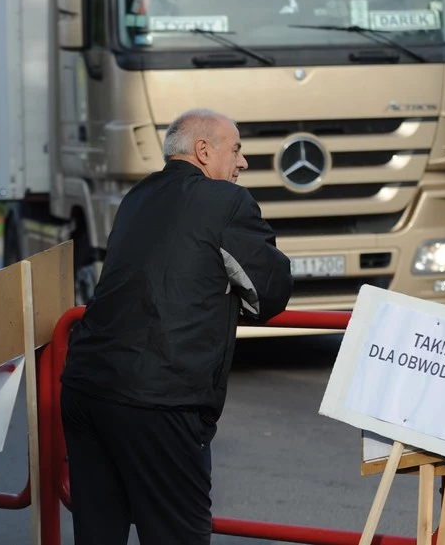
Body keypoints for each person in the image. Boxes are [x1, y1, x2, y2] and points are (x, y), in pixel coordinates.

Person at [60, 108, 293, 545]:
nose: (242, 163)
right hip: (159, 399)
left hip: (86, 385)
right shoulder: (225, 201)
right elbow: (270, 292)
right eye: (237, 150)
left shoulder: (138, 197)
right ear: (204, 151)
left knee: (98, 532)